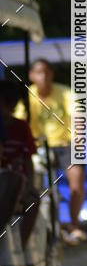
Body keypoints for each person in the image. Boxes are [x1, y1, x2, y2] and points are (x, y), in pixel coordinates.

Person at [15, 58, 86, 244]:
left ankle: (74, 225)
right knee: (32, 184)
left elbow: (77, 114)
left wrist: (78, 137)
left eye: (47, 72)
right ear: (31, 75)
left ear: (52, 74)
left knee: (77, 182)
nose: (43, 77)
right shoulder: (27, 96)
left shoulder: (65, 92)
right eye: (39, 72)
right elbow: (19, 120)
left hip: (65, 145)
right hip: (37, 148)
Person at [0, 79, 39, 246]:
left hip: (16, 184)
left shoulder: (21, 128)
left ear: (11, 105)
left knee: (33, 200)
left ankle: (20, 247)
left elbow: (28, 161)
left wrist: (29, 185)